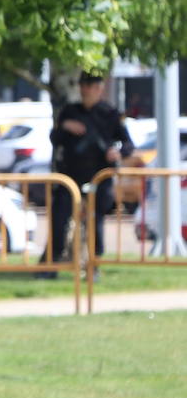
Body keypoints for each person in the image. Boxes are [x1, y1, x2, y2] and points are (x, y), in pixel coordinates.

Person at [41, 72, 134, 275]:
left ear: (99, 89)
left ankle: (94, 266)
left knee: (95, 222)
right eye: (83, 85)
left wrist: (116, 152)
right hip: (70, 176)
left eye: (89, 86)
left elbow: (128, 145)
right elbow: (54, 138)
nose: (85, 90)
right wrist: (65, 126)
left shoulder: (110, 114)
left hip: (98, 177)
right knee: (59, 218)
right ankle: (50, 265)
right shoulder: (70, 111)